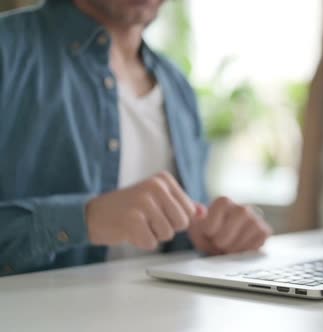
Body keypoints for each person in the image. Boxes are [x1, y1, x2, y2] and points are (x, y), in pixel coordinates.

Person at [0, 0, 273, 276]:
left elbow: (188, 226)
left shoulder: (178, 86)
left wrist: (212, 235)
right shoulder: (7, 50)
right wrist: (86, 219)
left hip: (164, 315)